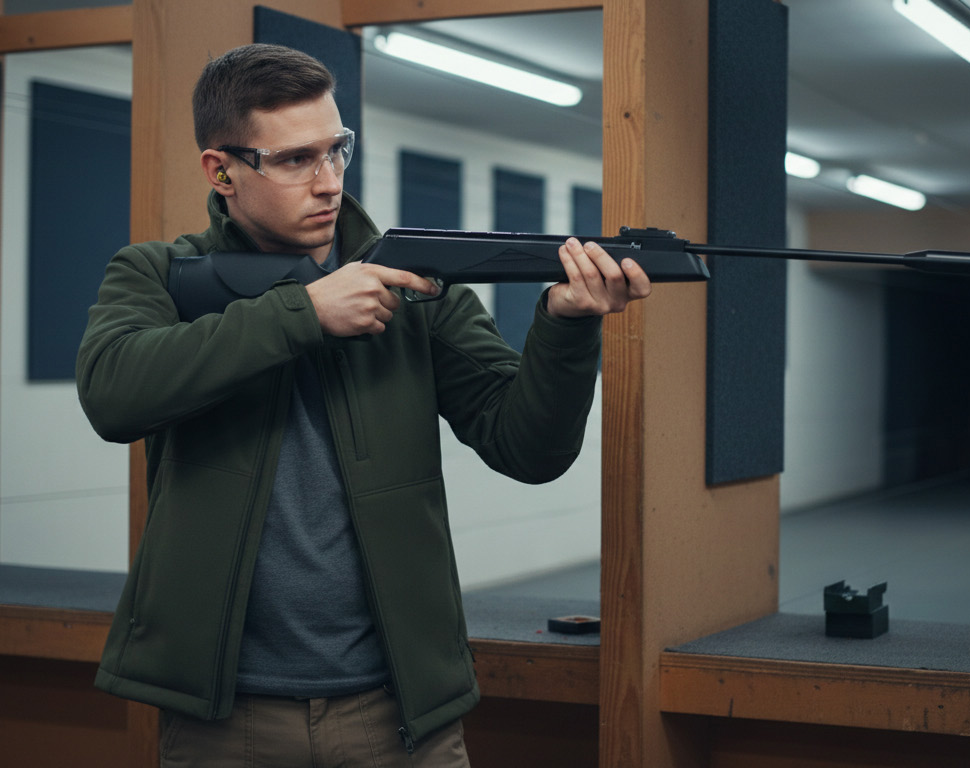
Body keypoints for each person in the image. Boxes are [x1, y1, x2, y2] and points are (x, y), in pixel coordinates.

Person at [76, 43, 650, 767]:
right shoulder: (157, 273)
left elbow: (528, 449)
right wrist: (304, 314)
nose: (328, 183)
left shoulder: (415, 285)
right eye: (294, 160)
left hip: (399, 710)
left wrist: (565, 326)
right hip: (223, 718)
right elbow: (113, 393)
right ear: (221, 171)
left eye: (336, 151)